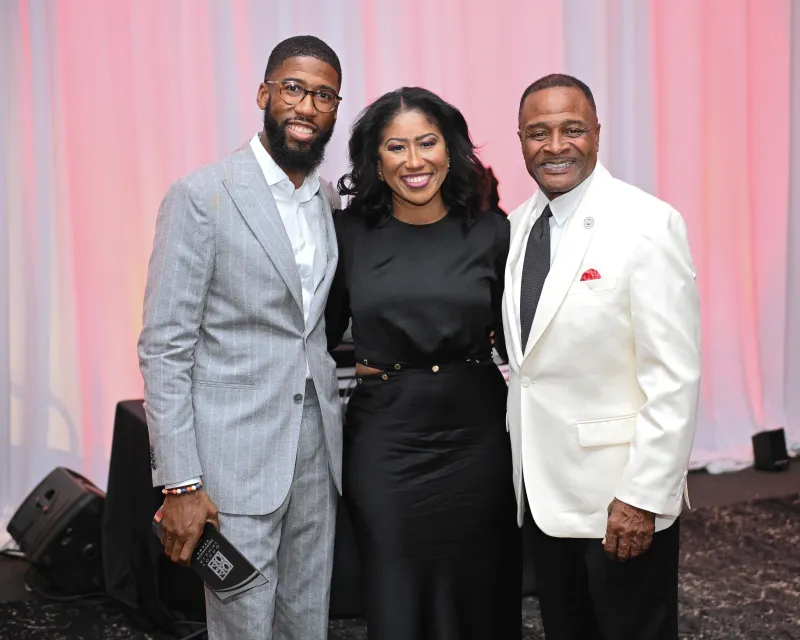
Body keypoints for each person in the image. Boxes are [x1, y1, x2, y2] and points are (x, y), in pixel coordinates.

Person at [138, 35, 344, 640]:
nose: (306, 106)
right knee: (242, 621)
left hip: (316, 452)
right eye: (293, 88)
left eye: (324, 95)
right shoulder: (202, 195)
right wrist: (181, 482)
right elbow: (165, 346)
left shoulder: (326, 199)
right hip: (232, 462)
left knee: (307, 620)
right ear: (264, 94)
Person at [502, 73, 701, 640]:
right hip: (543, 494)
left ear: (597, 134)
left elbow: (674, 375)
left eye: (572, 130)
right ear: (520, 139)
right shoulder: (515, 228)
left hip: (619, 495)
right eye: (538, 132)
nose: (556, 146)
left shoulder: (646, 223)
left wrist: (642, 497)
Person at [326, 87, 521, 640]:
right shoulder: (347, 236)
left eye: (427, 143)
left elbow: (518, 344)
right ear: (374, 159)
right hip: (387, 444)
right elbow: (319, 334)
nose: (414, 162)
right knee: (397, 595)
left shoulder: (490, 230)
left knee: (484, 592)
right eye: (396, 147)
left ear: (450, 148)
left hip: (479, 439)